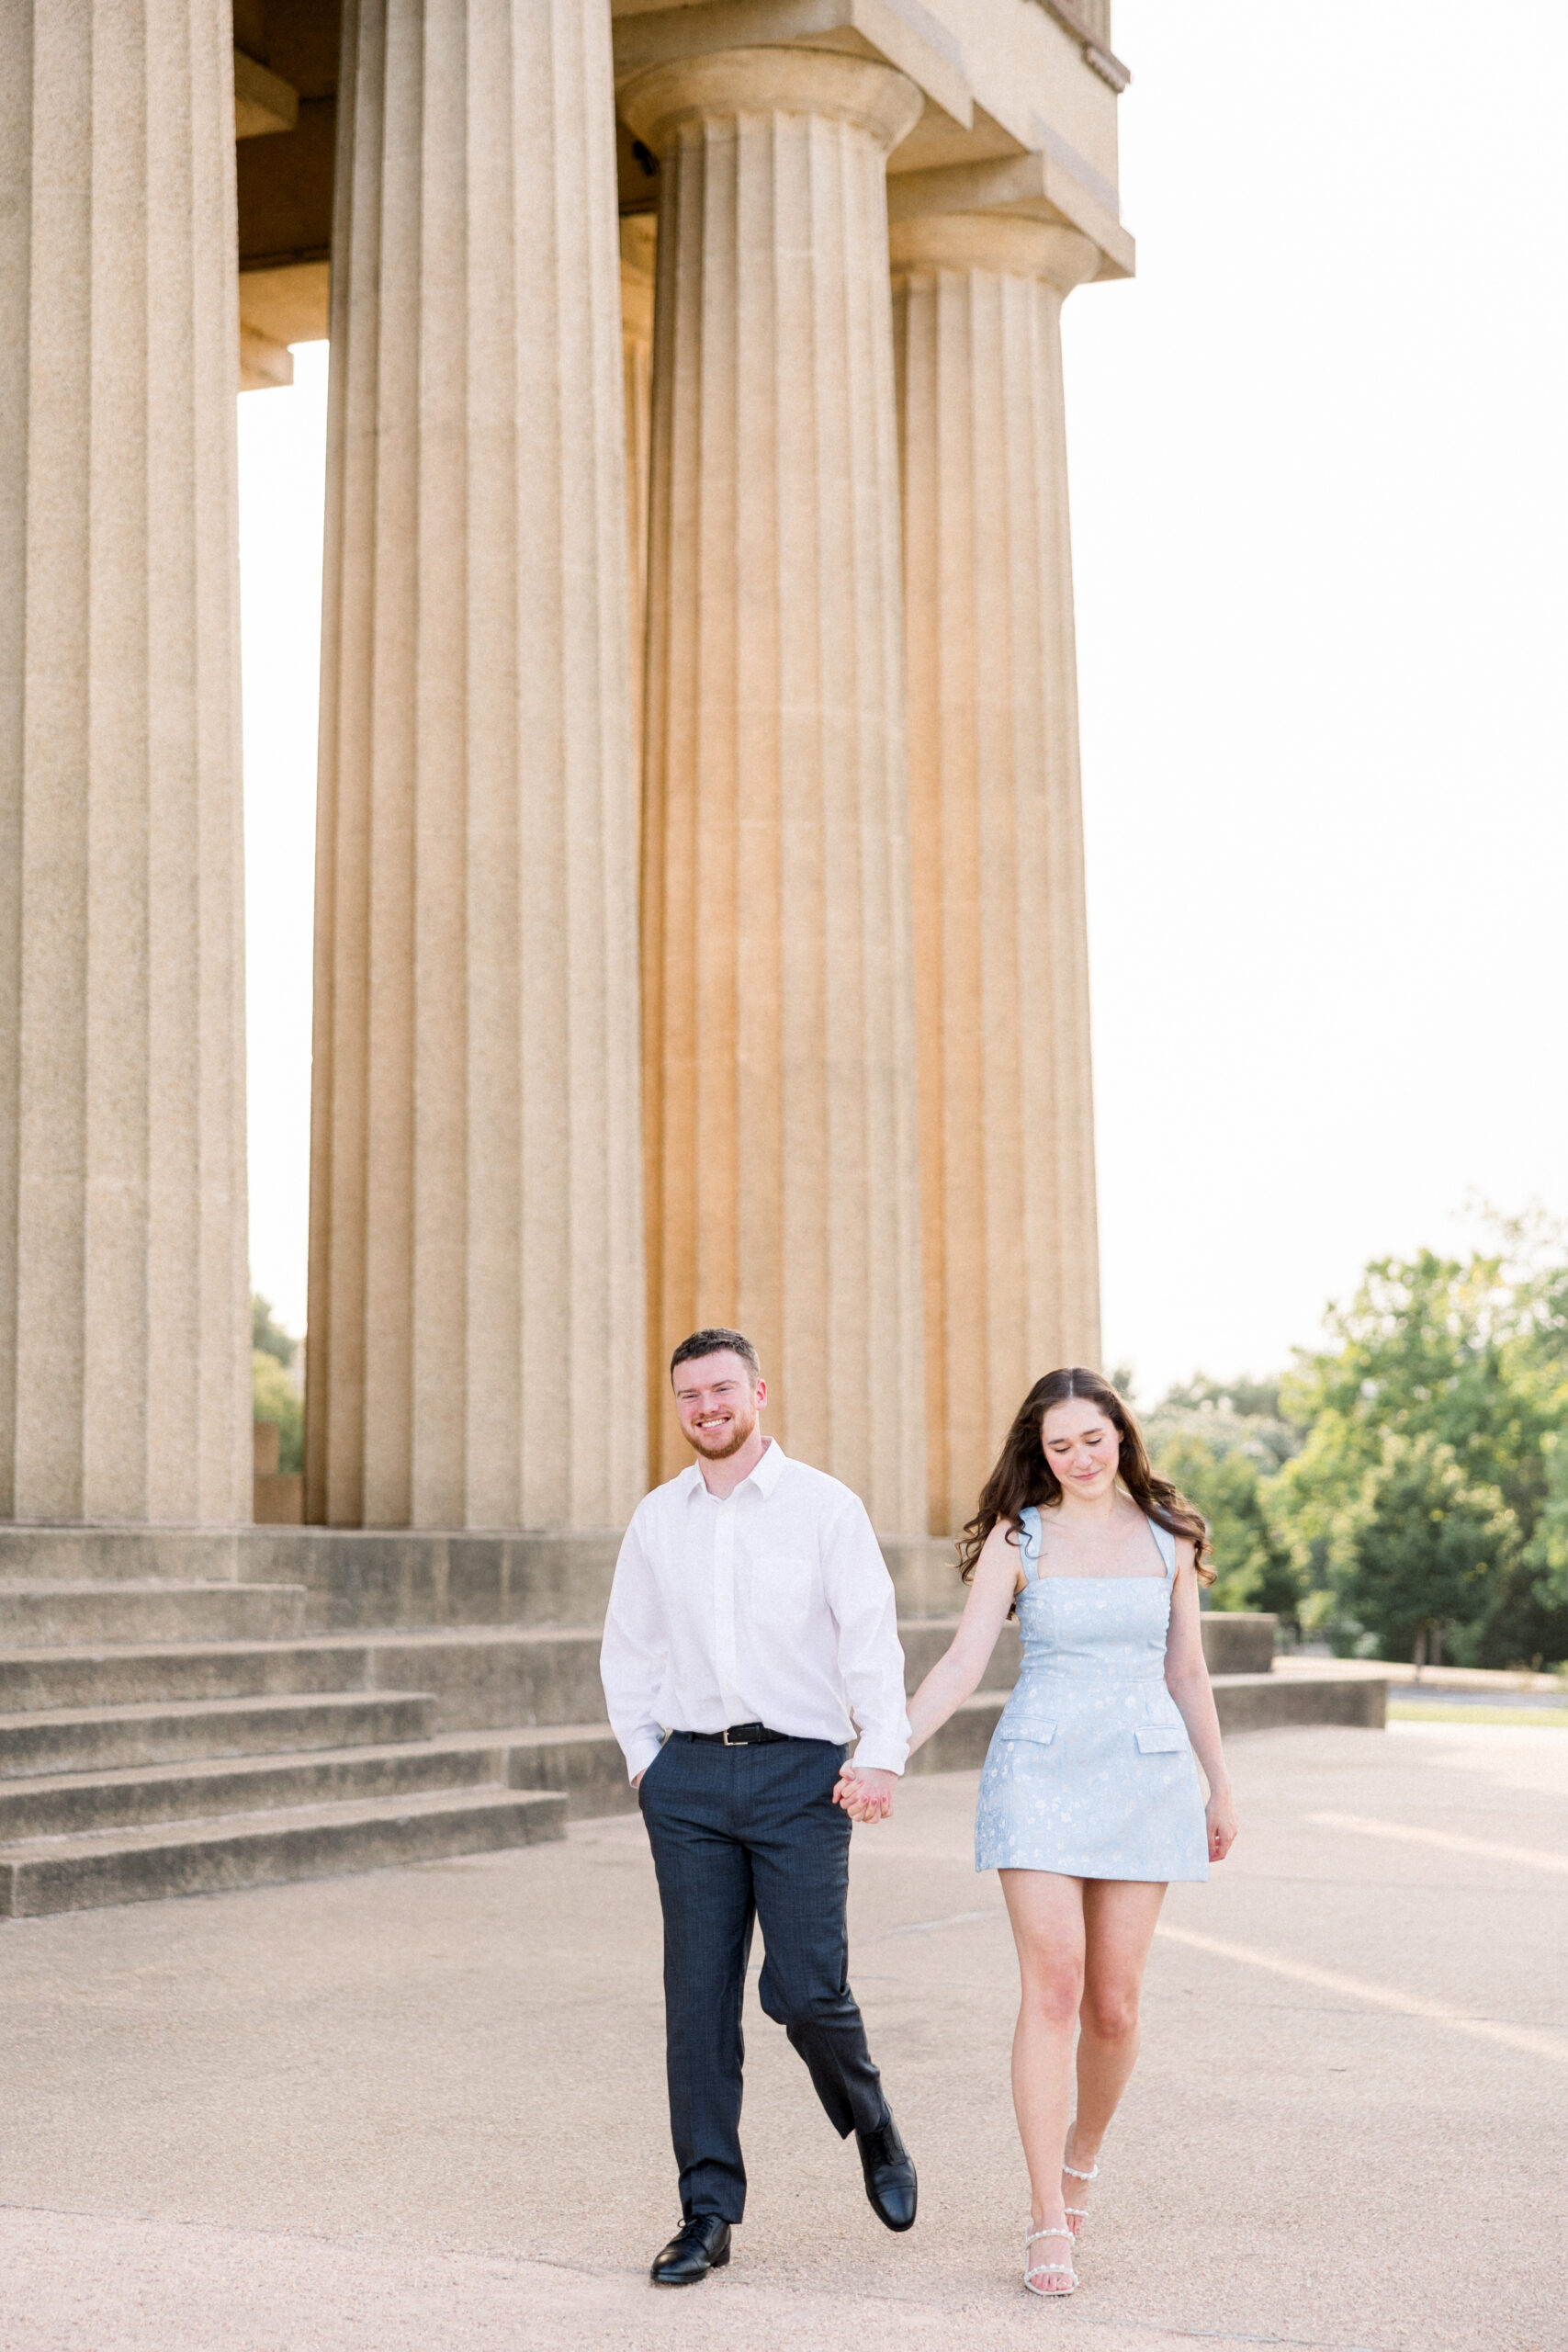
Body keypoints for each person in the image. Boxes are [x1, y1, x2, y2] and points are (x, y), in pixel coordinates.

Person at [837, 1365, 1238, 2299]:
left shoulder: (1169, 1537)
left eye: (1094, 1440)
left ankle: (1080, 2161)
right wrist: (882, 1751)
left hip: (1144, 1773)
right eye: (1060, 1445)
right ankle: (1045, 2215)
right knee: (1053, 1986)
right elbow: (966, 1659)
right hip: (1041, 1770)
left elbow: (1188, 1672)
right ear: (1039, 1451)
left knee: (1114, 2007)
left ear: (1121, 1437)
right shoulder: (1019, 1539)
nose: (1080, 1458)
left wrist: (1220, 1785)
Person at [600, 1328, 919, 2288]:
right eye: (689, 1395)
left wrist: (883, 1755)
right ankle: (707, 2210)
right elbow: (630, 1650)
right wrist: (646, 1766)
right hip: (689, 1781)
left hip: (801, 1776)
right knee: (698, 2005)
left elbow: (870, 1638)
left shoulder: (826, 1507)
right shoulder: (659, 1519)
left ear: (759, 1392)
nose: (708, 1408)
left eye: (723, 1389)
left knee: (807, 1988)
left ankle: (872, 2120)